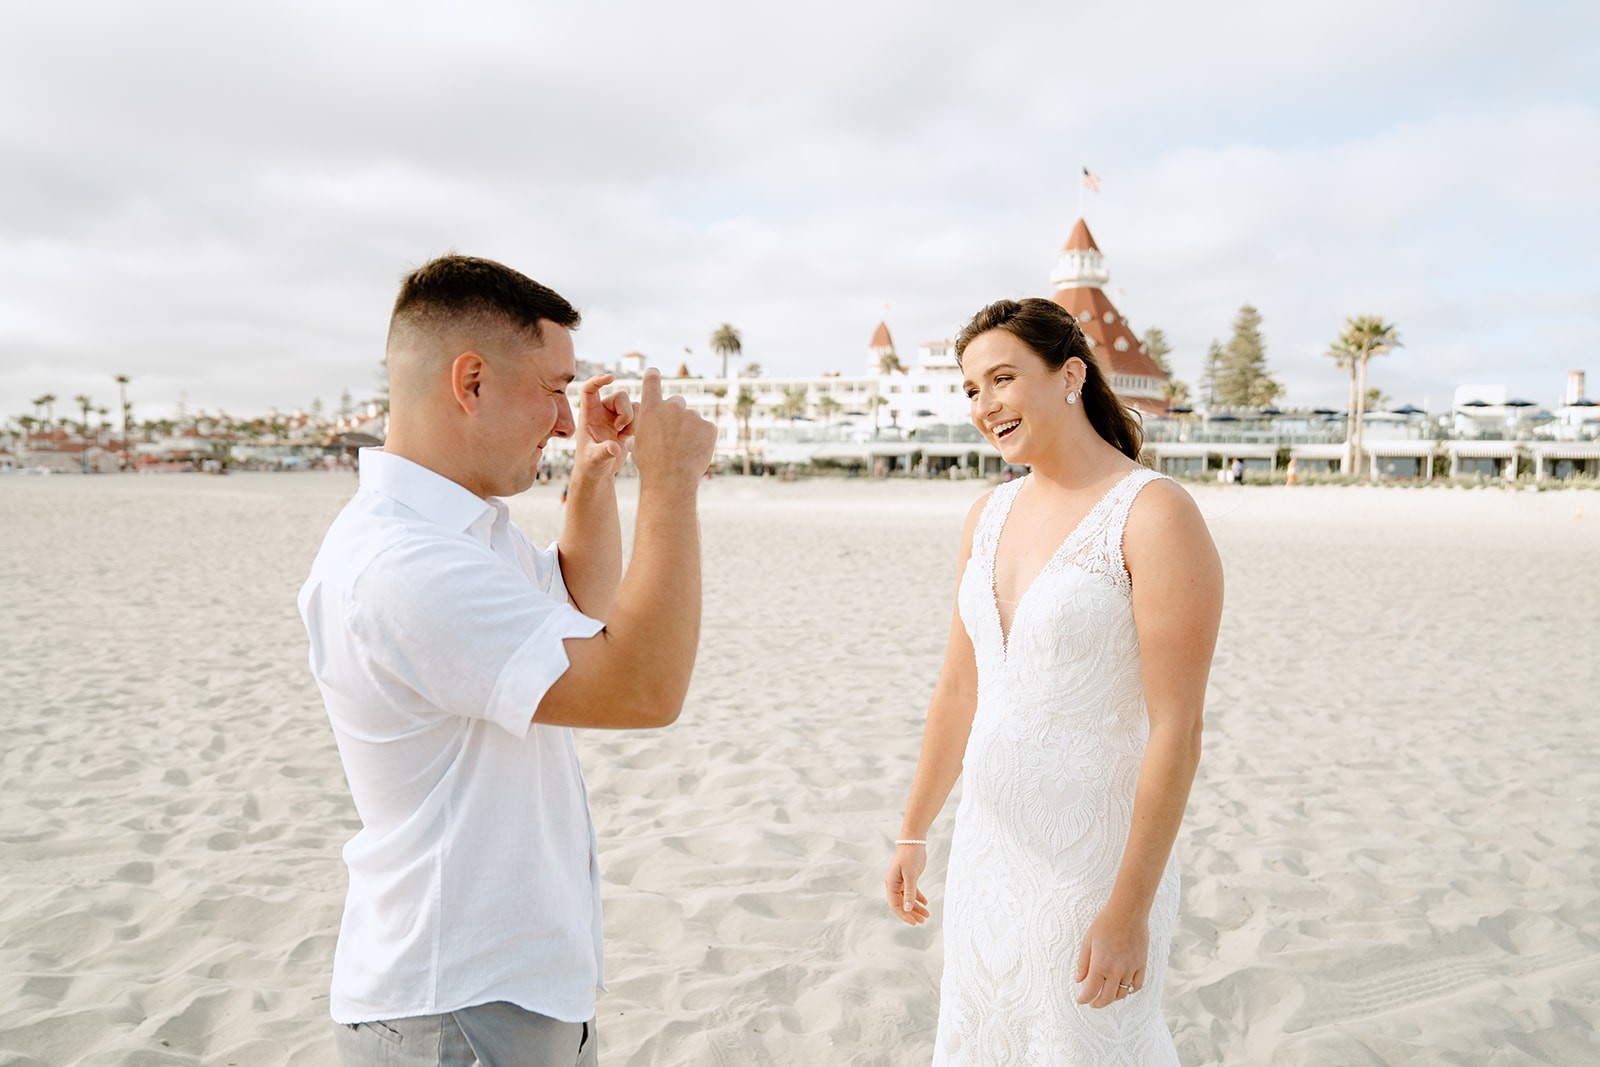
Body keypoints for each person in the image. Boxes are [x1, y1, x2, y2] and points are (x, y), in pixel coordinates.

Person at [298, 255, 717, 1067]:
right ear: (472, 382)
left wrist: (597, 469)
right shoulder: (404, 565)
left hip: (505, 992)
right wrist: (672, 483)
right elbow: (641, 687)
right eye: (554, 388)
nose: (565, 420)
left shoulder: (460, 534)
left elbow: (576, 608)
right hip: (454, 1006)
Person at [885, 298, 1223, 1064]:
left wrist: (1130, 906)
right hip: (988, 853)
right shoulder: (986, 515)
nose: (985, 405)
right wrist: (914, 829)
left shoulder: (1154, 513)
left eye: (1003, 378)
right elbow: (959, 691)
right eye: (972, 389)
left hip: (1094, 862)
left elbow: (1179, 728)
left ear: (1069, 375)